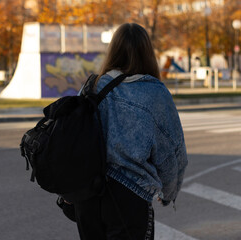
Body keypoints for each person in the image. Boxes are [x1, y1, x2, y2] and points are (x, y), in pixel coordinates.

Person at [73, 23, 188, 240]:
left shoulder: (92, 86)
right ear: (147, 53)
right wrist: (169, 192)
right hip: (128, 196)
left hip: (87, 195)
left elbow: (71, 138)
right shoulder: (155, 93)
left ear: (113, 50)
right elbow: (174, 153)